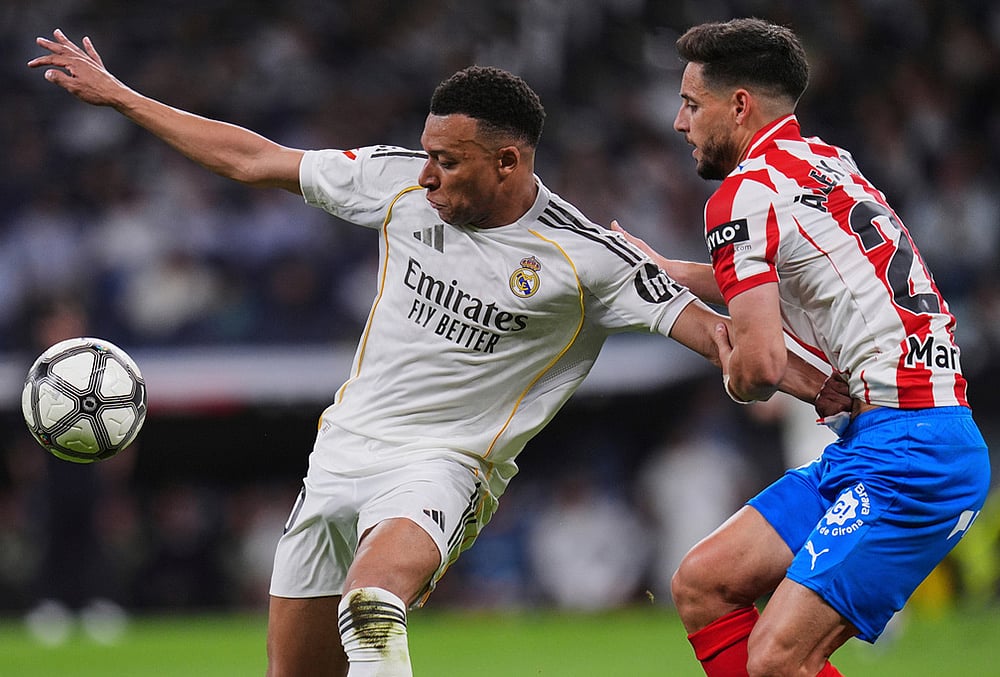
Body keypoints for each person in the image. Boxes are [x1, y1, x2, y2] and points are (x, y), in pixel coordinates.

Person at [29, 29, 847, 676]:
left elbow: (720, 334)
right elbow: (255, 158)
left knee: (372, 605)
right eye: (427, 153)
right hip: (342, 452)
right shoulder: (396, 181)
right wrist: (123, 97)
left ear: (508, 161)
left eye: (447, 162)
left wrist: (832, 390)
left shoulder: (587, 259)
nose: (427, 175)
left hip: (445, 465)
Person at [614, 17, 991, 677]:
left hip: (910, 453)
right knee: (703, 583)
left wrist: (718, 349)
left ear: (739, 106)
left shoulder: (742, 195)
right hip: (898, 435)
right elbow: (780, 273)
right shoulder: (825, 163)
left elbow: (758, 370)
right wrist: (671, 272)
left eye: (692, 104)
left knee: (776, 659)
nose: (679, 123)